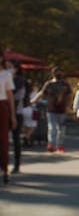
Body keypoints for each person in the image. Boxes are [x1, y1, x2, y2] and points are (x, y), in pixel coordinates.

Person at [31, 66, 72, 153]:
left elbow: (69, 96)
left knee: (61, 129)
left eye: (60, 72)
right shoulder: (49, 84)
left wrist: (68, 106)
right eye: (56, 72)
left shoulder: (65, 85)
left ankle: (60, 145)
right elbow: (41, 93)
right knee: (52, 128)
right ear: (53, 74)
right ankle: (51, 145)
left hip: (62, 110)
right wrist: (33, 101)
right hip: (51, 110)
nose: (58, 74)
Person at [0, 48, 17, 184]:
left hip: (2, 106)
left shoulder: (6, 74)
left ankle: (5, 170)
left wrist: (13, 115)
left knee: (4, 140)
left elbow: (10, 96)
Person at [6, 60, 25, 174]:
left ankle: (17, 165)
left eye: (10, 67)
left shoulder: (21, 81)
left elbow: (18, 97)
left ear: (16, 69)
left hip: (16, 113)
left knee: (16, 139)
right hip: (3, 112)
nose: (8, 69)